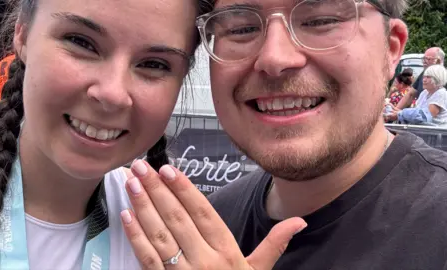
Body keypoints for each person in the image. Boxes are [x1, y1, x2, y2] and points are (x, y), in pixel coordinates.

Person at [0, 0, 301, 269]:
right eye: (81, 42)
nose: (112, 93)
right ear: (22, 34)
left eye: (155, 64)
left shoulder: (177, 245)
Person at [120, 0, 447, 269]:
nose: (274, 58)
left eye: (320, 20)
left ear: (391, 50)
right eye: (242, 28)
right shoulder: (209, 226)